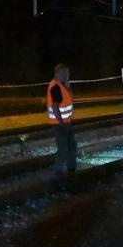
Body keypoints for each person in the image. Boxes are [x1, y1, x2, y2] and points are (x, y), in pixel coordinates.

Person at [45, 62, 77, 191]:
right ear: (59, 73)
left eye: (67, 73)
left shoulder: (63, 86)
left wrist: (68, 85)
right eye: (65, 73)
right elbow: (55, 106)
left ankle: (71, 170)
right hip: (59, 124)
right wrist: (62, 123)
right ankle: (59, 172)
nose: (67, 75)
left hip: (66, 123)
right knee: (63, 147)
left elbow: (71, 99)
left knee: (72, 146)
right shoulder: (55, 87)